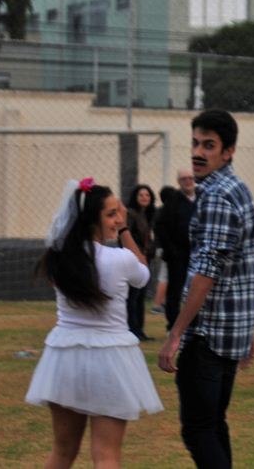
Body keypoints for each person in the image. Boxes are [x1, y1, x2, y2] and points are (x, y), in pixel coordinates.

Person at [26, 177, 163, 468]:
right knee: (106, 455)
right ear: (91, 220)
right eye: (111, 214)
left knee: (62, 452)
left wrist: (117, 224)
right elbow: (143, 274)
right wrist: (125, 230)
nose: (118, 219)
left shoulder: (60, 258)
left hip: (64, 357)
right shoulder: (120, 258)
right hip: (110, 358)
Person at [158, 110, 254, 469]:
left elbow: (206, 272)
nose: (198, 153)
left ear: (228, 151)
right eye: (195, 143)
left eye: (209, 145)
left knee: (198, 428)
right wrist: (248, 328)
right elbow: (249, 262)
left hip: (208, 335)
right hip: (230, 332)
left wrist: (176, 333)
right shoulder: (238, 188)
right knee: (213, 423)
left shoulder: (217, 195)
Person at [155, 169, 197, 332]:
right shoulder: (173, 201)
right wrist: (170, 250)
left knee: (196, 290)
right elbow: (161, 227)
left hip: (198, 254)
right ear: (179, 182)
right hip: (177, 256)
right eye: (184, 179)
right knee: (175, 291)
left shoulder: (201, 199)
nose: (188, 181)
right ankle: (173, 325)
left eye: (190, 178)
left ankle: (194, 324)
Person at [125, 184, 156, 341]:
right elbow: (126, 236)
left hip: (145, 259)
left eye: (147, 195)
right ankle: (132, 329)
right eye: (141, 195)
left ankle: (139, 330)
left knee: (141, 295)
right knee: (133, 296)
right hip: (135, 259)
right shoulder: (131, 214)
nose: (144, 198)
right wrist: (137, 254)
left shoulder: (148, 215)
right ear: (135, 197)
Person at [151, 185, 178, 316]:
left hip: (159, 247)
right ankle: (157, 305)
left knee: (166, 276)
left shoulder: (158, 211)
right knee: (165, 277)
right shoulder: (170, 212)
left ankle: (163, 303)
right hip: (167, 249)